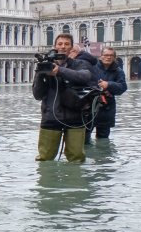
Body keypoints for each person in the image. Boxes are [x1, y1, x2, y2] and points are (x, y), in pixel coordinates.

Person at [32, 33, 95, 162]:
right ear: (55, 46)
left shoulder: (79, 64)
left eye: (66, 44)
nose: (63, 47)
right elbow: (37, 95)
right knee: (45, 158)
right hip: (50, 117)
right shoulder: (46, 65)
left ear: (71, 47)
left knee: (77, 158)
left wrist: (59, 71)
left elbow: (85, 77)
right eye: (60, 44)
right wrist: (40, 73)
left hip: (75, 117)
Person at [89, 46, 128, 141]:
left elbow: (123, 87)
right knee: (85, 139)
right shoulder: (92, 68)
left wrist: (108, 85)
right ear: (101, 56)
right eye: (106, 55)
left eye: (111, 55)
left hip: (107, 109)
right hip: (90, 108)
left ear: (114, 57)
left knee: (103, 139)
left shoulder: (119, 71)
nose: (108, 57)